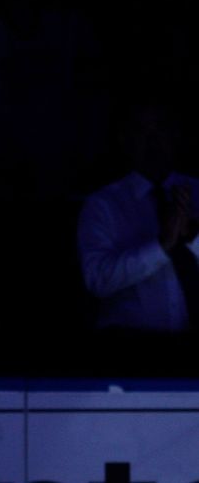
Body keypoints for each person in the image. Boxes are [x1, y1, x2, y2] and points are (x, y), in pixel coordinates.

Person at [76, 100, 199, 370]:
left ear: (176, 134)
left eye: (161, 129)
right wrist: (161, 246)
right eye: (143, 130)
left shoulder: (195, 193)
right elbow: (97, 279)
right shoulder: (104, 204)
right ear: (125, 138)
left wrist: (191, 236)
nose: (153, 141)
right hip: (128, 352)